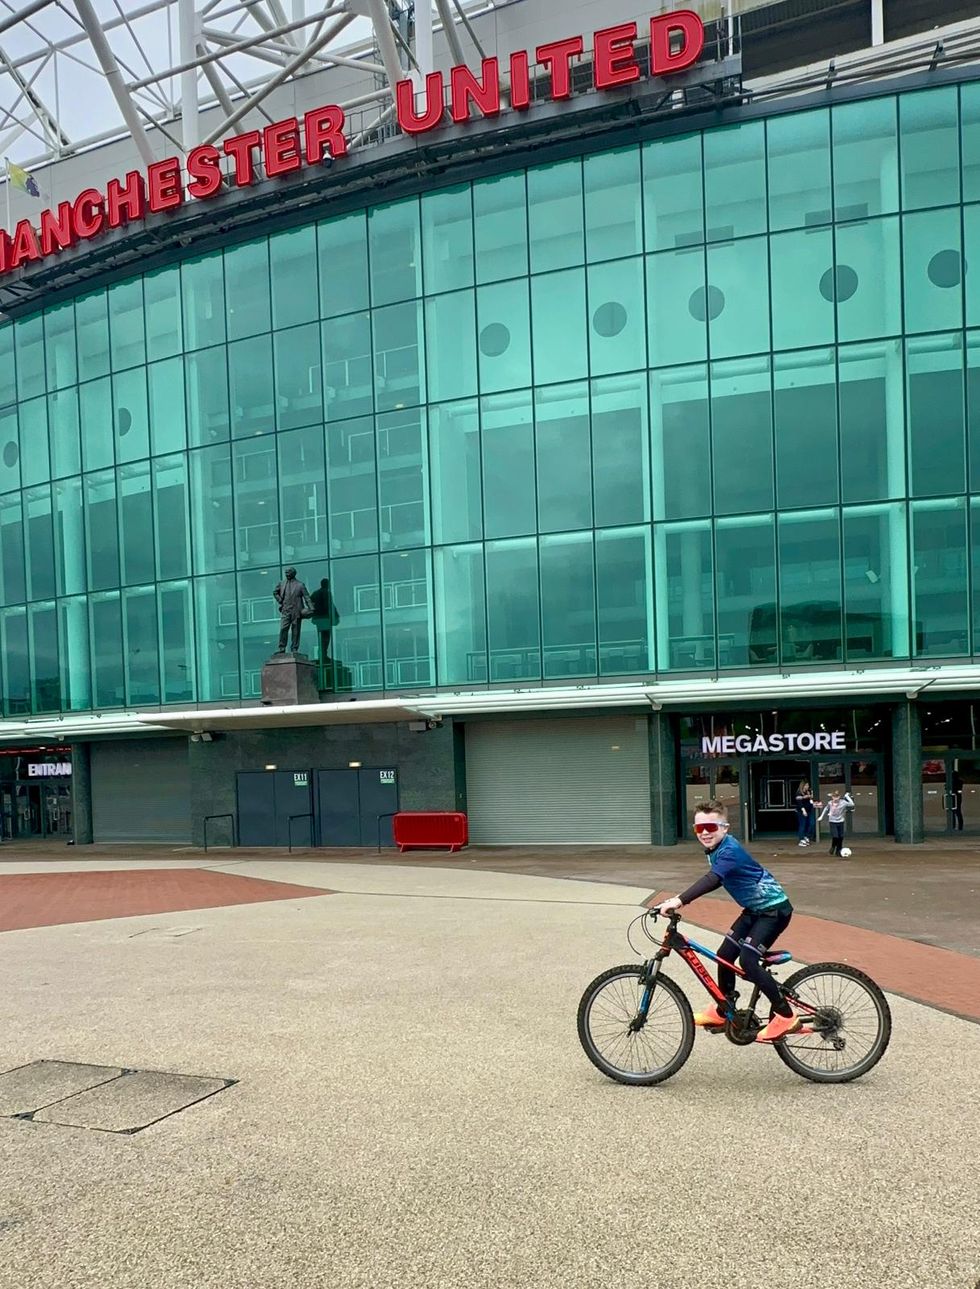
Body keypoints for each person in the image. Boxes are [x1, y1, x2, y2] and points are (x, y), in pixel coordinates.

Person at [656, 799, 800, 1043]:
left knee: (748, 960)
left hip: (774, 911)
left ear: (725, 828)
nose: (704, 833)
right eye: (698, 829)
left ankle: (785, 1015)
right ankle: (726, 1009)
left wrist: (679, 900)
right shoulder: (715, 851)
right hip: (753, 911)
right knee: (724, 955)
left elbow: (713, 879)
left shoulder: (730, 850)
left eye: (710, 827)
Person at [273, 567, 313, 654]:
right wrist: (279, 600)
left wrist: (311, 608)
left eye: (288, 573)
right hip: (285, 610)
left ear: (293, 573)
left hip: (296, 611)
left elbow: (307, 597)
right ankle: (281, 647)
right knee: (283, 628)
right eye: (286, 573)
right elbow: (275, 592)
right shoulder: (282, 583)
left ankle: (294, 648)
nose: (286, 574)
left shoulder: (300, 585)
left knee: (295, 630)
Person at [310, 577, 340, 662]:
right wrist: (336, 615)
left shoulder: (315, 593)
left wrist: (314, 611)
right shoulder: (326, 593)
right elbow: (330, 605)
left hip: (318, 619)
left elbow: (309, 601)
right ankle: (323, 655)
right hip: (325, 619)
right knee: (326, 638)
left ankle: (322, 654)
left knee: (321, 637)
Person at [817, 789, 854, 857]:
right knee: (835, 836)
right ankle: (833, 846)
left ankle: (838, 850)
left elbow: (852, 804)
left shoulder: (843, 802)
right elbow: (826, 809)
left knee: (841, 837)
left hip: (840, 821)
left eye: (837, 796)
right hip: (832, 821)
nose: (835, 798)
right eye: (834, 796)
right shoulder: (830, 803)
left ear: (839, 796)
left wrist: (847, 797)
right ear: (832, 797)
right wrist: (821, 816)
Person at [794, 780, 820, 847]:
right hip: (801, 811)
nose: (807, 787)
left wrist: (814, 803)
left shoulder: (808, 792)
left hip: (809, 810)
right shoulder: (799, 793)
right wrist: (803, 810)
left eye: (808, 785)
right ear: (802, 786)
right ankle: (801, 839)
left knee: (812, 823)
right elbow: (799, 803)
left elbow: (810, 801)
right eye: (806, 785)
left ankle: (806, 836)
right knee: (802, 824)